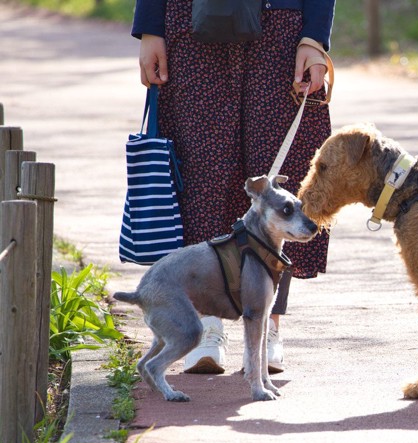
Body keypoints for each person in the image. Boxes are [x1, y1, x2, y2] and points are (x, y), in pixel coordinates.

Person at [131, 0, 335, 374]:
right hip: (192, 20)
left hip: (283, 24)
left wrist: (315, 37)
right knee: (200, 175)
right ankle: (205, 324)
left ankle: (268, 325)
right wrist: (150, 26)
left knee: (278, 174)